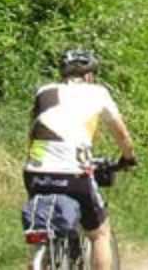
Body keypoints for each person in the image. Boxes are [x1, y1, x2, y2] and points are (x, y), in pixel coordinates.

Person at [23, 49, 137, 270]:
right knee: (99, 234)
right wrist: (128, 157)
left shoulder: (44, 91)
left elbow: (32, 131)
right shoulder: (97, 93)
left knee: (43, 219)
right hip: (74, 172)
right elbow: (122, 135)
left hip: (35, 172)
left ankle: (40, 258)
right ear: (89, 75)